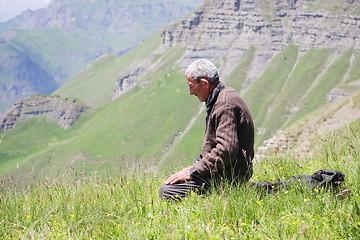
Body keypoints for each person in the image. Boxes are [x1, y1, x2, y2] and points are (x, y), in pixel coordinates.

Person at [159, 59, 254, 200]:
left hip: (230, 176)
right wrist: (195, 168)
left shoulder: (224, 105)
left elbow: (226, 151)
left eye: (191, 86)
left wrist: (195, 171)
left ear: (204, 83)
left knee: (167, 191)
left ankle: (246, 191)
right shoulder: (219, 99)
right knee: (173, 184)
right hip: (223, 172)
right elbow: (213, 147)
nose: (191, 92)